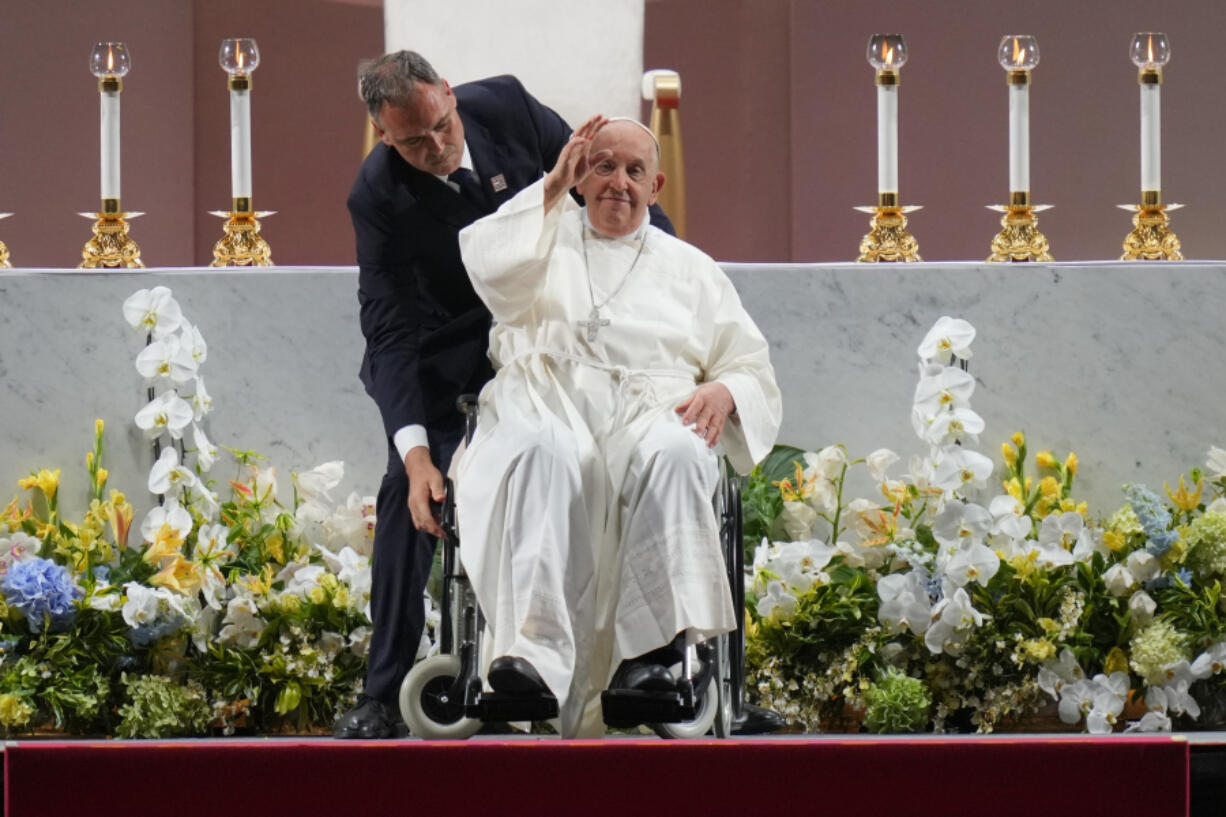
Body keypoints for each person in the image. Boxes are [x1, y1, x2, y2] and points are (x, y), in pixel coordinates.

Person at [336, 51, 675, 739]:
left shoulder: (510, 108)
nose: (435, 147)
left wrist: (672, 281)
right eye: (412, 141)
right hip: (457, 357)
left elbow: (609, 189)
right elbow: (390, 328)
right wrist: (416, 454)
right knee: (412, 495)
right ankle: (381, 690)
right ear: (382, 134)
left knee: (663, 451)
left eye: (441, 125)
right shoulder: (378, 196)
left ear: (450, 95)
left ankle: (667, 661)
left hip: (561, 333)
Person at [455, 116, 782, 737]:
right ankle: (529, 655)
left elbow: (750, 365)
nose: (619, 183)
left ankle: (652, 657)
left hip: (651, 413)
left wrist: (723, 389)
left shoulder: (693, 269)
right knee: (545, 450)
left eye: (635, 171)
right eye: (603, 166)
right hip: (547, 401)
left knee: (681, 453)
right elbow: (490, 272)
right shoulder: (542, 232)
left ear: (656, 186)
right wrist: (551, 186)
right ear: (581, 175)